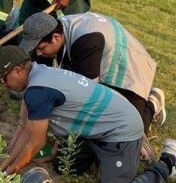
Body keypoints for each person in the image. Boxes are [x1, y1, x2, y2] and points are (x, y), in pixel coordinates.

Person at [0, 46, 176, 183]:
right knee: (65, 165)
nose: (4, 85)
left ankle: (169, 163)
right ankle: (109, 162)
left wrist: (8, 174)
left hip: (120, 130)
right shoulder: (40, 74)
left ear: (18, 70)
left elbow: (35, 143)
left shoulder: (38, 91)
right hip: (96, 129)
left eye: (3, 78)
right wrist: (4, 167)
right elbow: (27, 134)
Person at [17, 11, 166, 132]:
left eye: (41, 48)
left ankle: (152, 102)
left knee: (129, 128)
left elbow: (85, 98)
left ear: (55, 38)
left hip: (129, 69)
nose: (38, 53)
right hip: (99, 61)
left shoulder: (86, 41)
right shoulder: (55, 28)